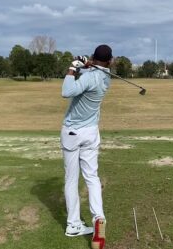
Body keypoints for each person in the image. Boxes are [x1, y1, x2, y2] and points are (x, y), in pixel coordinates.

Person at [60, 44, 113, 249]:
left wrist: (74, 66)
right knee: (92, 177)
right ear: (109, 62)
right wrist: (87, 65)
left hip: (72, 133)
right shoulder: (105, 77)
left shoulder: (90, 77)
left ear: (93, 57)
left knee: (71, 180)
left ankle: (73, 225)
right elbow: (90, 74)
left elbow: (67, 90)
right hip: (91, 133)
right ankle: (98, 217)